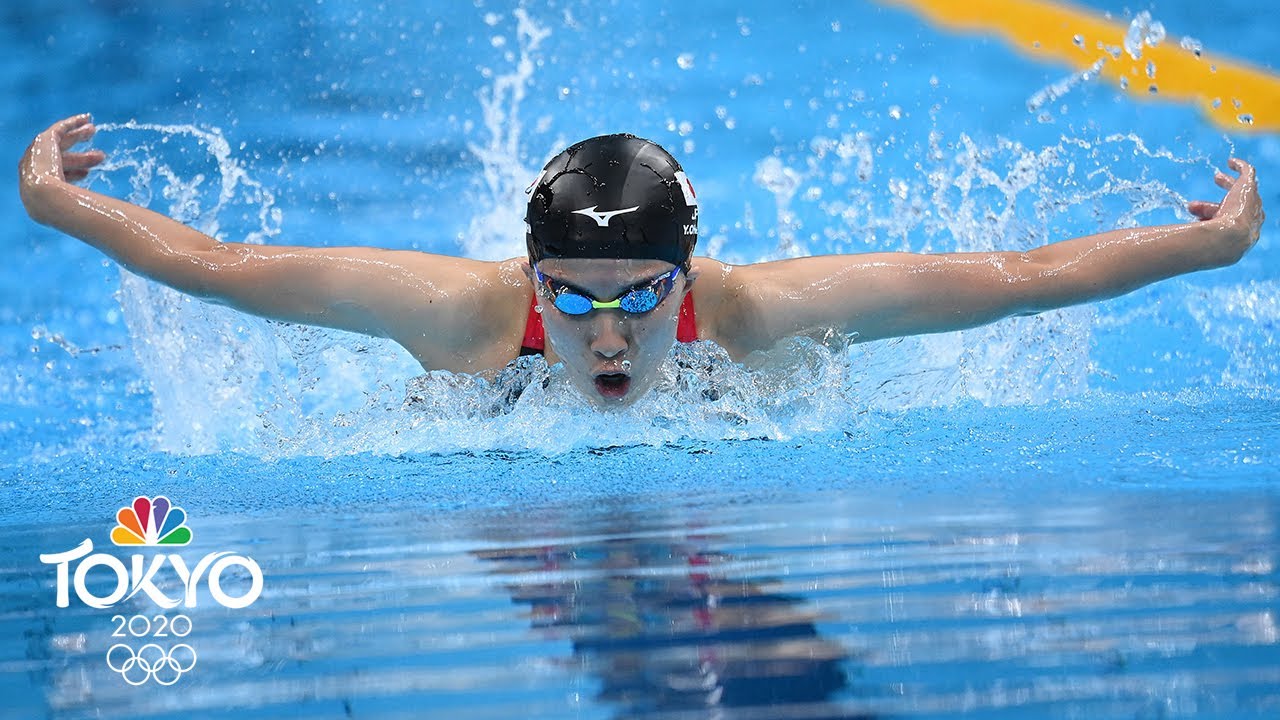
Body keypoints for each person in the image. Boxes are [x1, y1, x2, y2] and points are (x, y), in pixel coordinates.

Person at [19, 114, 1264, 408]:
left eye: (636, 303)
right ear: (526, 276)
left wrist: (1206, 249)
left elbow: (1022, 277)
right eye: (569, 300)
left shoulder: (763, 316)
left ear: (689, 275)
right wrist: (54, 207)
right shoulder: (459, 321)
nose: (606, 340)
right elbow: (223, 267)